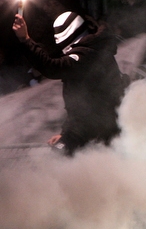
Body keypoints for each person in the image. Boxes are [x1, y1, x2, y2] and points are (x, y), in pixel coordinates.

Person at [12, 10, 125, 154]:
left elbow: (51, 67)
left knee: (64, 161)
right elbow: (78, 106)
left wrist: (26, 40)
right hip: (90, 131)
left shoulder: (86, 56)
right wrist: (65, 134)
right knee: (60, 157)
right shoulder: (93, 51)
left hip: (100, 134)